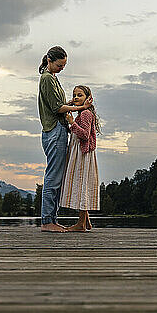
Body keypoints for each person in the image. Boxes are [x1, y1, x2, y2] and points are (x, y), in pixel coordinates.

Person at [38, 46, 92, 233]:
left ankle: (51, 219)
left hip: (58, 131)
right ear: (50, 61)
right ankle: (47, 221)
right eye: (60, 65)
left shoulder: (53, 78)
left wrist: (71, 104)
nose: (62, 68)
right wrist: (80, 108)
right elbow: (56, 108)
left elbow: (60, 104)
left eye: (64, 65)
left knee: (57, 177)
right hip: (54, 131)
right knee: (53, 177)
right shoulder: (46, 78)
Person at [60, 85, 101, 232]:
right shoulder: (83, 112)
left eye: (80, 95)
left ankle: (80, 225)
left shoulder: (85, 114)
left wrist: (71, 123)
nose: (76, 98)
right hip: (80, 153)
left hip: (82, 154)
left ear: (87, 98)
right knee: (82, 183)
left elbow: (84, 134)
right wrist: (71, 104)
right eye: (74, 95)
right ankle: (87, 221)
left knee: (82, 184)